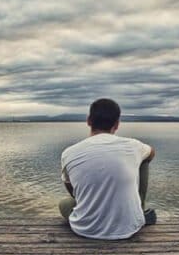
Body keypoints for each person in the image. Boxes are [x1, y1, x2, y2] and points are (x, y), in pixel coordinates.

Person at [59, 98, 156, 240]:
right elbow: (152, 153)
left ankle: (94, 211)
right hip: (130, 227)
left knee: (64, 204)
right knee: (144, 158)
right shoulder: (133, 146)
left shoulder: (68, 153)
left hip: (85, 229)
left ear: (88, 121)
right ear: (117, 125)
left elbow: (71, 189)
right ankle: (140, 210)